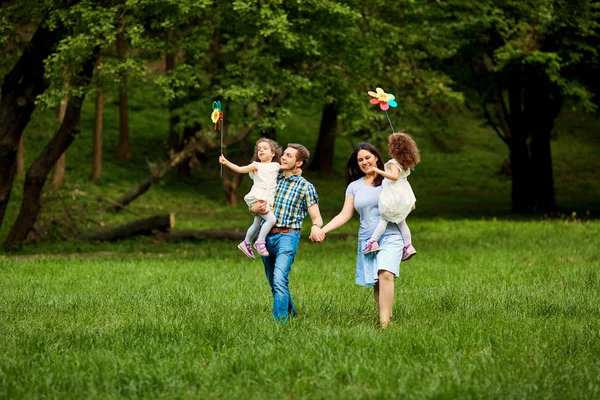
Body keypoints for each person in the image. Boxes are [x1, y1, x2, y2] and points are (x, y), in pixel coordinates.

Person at [310, 143, 405, 328]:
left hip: (391, 234)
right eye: (360, 160)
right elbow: (345, 214)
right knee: (377, 282)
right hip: (367, 239)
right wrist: (323, 229)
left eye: (368, 157)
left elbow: (408, 201)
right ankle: (384, 318)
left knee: (386, 274)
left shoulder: (390, 179)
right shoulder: (354, 187)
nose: (364, 162)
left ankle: (385, 325)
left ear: (376, 157)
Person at [251, 143, 323, 322]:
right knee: (273, 282)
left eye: (289, 156)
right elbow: (255, 209)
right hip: (266, 236)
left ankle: (280, 322)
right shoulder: (273, 180)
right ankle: (292, 313)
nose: (283, 157)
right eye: (284, 154)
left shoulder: (305, 187)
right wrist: (254, 208)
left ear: (299, 163)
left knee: (279, 278)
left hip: (288, 236)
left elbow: (317, 217)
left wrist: (316, 227)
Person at [219, 138, 282, 259]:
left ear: (273, 153)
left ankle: (246, 242)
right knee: (271, 220)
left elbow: (286, 168)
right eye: (259, 149)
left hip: (268, 198)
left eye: (265, 148)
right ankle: (260, 241)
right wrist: (226, 162)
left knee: (257, 223)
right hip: (258, 197)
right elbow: (239, 169)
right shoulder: (256, 165)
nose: (261, 150)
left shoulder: (275, 166)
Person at [362, 132, 420, 261]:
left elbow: (394, 177)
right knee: (401, 221)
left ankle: (372, 242)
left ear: (394, 147)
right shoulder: (404, 163)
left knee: (384, 219)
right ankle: (408, 245)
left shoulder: (393, 163)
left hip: (394, 196)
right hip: (404, 194)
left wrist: (377, 170)